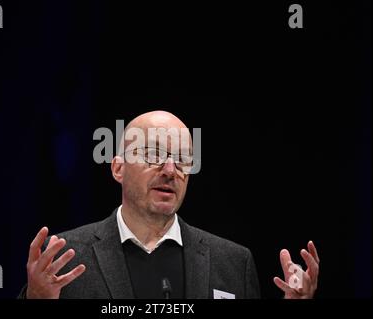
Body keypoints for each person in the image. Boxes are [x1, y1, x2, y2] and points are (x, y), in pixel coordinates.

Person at [20, 110, 319, 299]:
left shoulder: (232, 263)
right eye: (153, 154)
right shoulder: (65, 257)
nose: (169, 169)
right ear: (118, 169)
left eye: (182, 159)